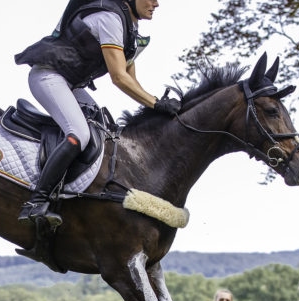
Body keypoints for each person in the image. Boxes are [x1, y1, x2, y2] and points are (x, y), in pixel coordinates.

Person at [14, 0, 181, 226]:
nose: (157, 3)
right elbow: (119, 78)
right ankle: (36, 202)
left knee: (104, 128)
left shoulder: (129, 28)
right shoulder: (110, 19)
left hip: (70, 83)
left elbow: (131, 78)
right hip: (48, 76)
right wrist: (155, 104)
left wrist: (156, 102)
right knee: (79, 135)